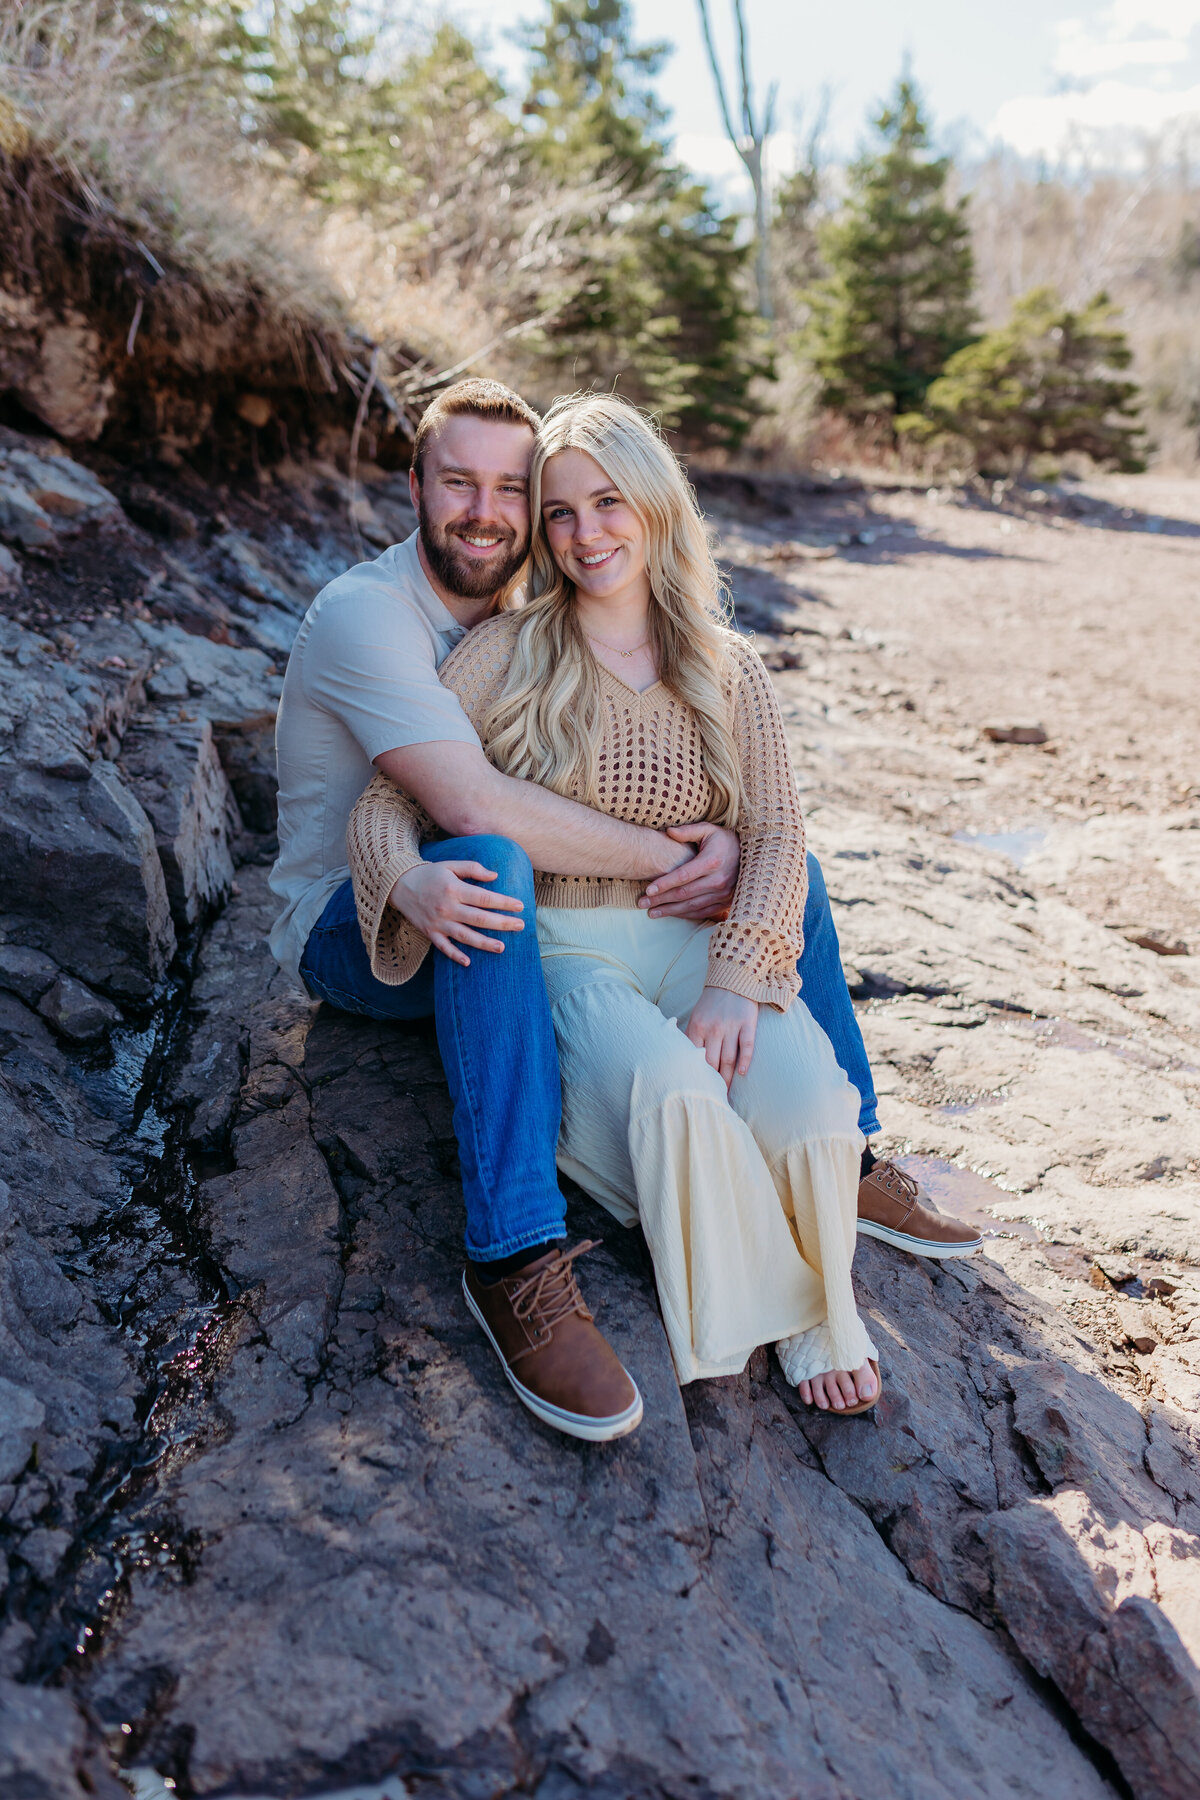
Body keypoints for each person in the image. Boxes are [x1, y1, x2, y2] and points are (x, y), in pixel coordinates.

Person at [269, 377, 979, 1443]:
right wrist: (413, 879)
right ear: (418, 487)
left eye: (596, 502)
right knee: (663, 1076)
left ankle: (851, 1167)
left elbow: (782, 832)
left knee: (804, 1086)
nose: (578, 530)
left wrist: (739, 954)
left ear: (655, 504)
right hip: (494, 939)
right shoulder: (472, 640)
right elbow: (421, 807)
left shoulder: (724, 664)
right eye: (558, 509)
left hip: (675, 945)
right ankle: (526, 1253)